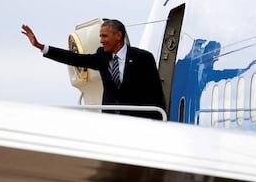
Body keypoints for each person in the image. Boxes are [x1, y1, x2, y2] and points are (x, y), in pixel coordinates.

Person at [21, 19, 165, 120]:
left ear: (118, 36)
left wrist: (159, 122)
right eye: (100, 36)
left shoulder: (143, 57)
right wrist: (41, 47)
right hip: (112, 122)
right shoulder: (102, 56)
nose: (101, 40)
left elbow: (156, 93)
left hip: (138, 122)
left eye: (104, 36)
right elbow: (75, 59)